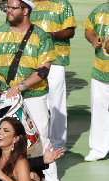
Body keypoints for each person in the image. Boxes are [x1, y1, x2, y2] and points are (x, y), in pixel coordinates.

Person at [0, 0, 68, 181]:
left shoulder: (41, 37)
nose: (8, 11)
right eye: (8, 7)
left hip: (34, 97)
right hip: (4, 99)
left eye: (13, 8)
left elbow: (43, 70)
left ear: (25, 10)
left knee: (39, 141)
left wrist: (20, 87)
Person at [30, 0, 76, 151]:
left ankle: (57, 144)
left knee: (56, 104)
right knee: (34, 102)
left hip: (56, 60)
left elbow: (70, 31)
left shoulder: (63, 4)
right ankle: (36, 142)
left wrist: (51, 34)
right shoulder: (28, 4)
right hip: (32, 61)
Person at [83, 2, 109, 162]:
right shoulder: (100, 10)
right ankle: (98, 148)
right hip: (100, 70)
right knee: (99, 109)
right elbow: (88, 30)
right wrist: (93, 39)